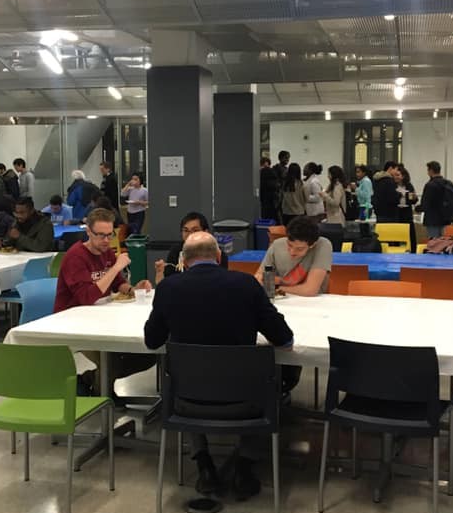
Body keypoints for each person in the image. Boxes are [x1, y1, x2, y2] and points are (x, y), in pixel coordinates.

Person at [144, 231, 293, 498]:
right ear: (219, 256)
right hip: (246, 401)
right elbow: (284, 339)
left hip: (186, 402)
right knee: (266, 380)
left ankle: (203, 464)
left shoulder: (168, 288)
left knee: (187, 378)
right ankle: (244, 465)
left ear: (184, 261)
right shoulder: (246, 285)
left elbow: (151, 341)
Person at [54, 208, 153, 394]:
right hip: (73, 323)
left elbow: (117, 284)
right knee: (113, 362)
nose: (107, 241)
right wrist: (115, 268)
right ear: (88, 232)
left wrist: (133, 289)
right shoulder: (75, 257)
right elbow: (86, 297)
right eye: (101, 235)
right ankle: (99, 392)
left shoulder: (106, 252)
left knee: (148, 354)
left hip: (100, 318)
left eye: (110, 235)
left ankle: (91, 381)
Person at [255, 215, 332, 296]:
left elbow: (310, 290)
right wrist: (260, 279)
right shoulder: (276, 245)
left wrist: (278, 288)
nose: (292, 252)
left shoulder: (322, 245)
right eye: (289, 245)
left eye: (299, 249)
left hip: (312, 303)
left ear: (312, 245)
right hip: (283, 301)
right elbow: (259, 277)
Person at [154, 211, 227, 284]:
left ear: (206, 231)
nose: (190, 234)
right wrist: (160, 273)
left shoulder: (216, 252)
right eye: (186, 230)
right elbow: (168, 281)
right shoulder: (176, 251)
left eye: (195, 230)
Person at [421, 161, 453, 238]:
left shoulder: (430, 185)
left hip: (432, 219)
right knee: (445, 242)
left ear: (431, 171)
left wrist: (419, 208)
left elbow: (425, 203)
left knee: (434, 243)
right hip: (446, 218)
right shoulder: (449, 183)